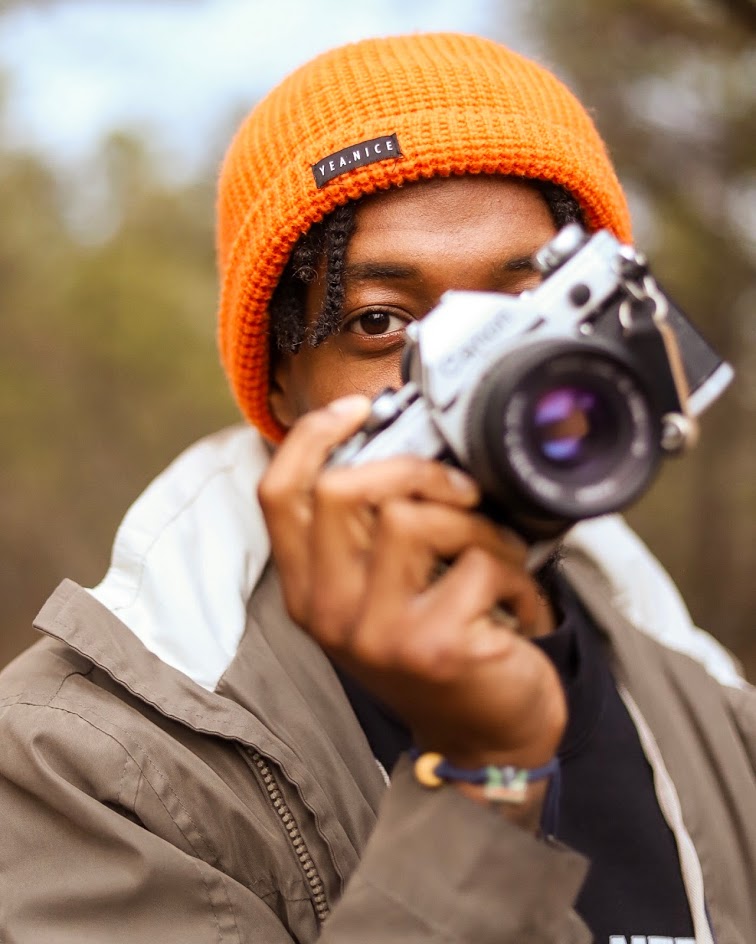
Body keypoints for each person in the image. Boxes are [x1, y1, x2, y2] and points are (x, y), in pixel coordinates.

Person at [0, 32, 754, 944]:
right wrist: (483, 789)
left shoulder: (713, 703)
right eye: (381, 321)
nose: (486, 376)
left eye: (525, 308)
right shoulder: (86, 760)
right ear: (279, 382)